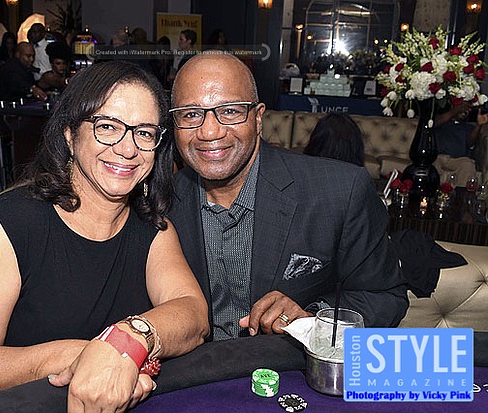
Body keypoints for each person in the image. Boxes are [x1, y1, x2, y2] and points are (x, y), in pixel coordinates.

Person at [0, 60, 209, 413]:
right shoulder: (7, 227)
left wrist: (130, 338)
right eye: (107, 127)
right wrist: (85, 355)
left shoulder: (151, 227)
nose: (128, 149)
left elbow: (192, 314)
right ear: (69, 134)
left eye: (143, 133)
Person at [168, 54, 408, 341]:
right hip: (193, 367)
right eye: (191, 114)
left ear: (258, 117)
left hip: (292, 365)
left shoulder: (340, 192)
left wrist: (311, 318)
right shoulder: (160, 202)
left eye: (230, 111)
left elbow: (385, 297)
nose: (209, 132)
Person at [433, 102, 486, 186]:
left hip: (457, 160)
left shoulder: (467, 127)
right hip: (438, 157)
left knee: (468, 165)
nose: (464, 113)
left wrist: (478, 125)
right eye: (462, 110)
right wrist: (455, 110)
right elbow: (432, 124)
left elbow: (470, 142)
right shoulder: (442, 122)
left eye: (466, 112)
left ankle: (460, 193)